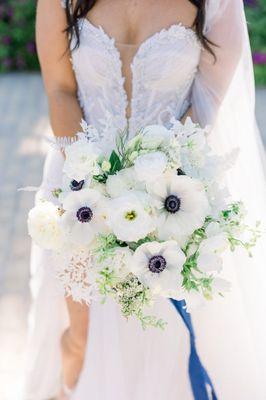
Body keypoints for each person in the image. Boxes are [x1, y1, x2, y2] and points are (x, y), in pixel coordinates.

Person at [22, 0, 266, 399]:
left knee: (167, 338)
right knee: (82, 337)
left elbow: (206, 103)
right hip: (79, 192)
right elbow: (60, 88)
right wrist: (93, 186)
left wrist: (152, 190)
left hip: (176, 196)